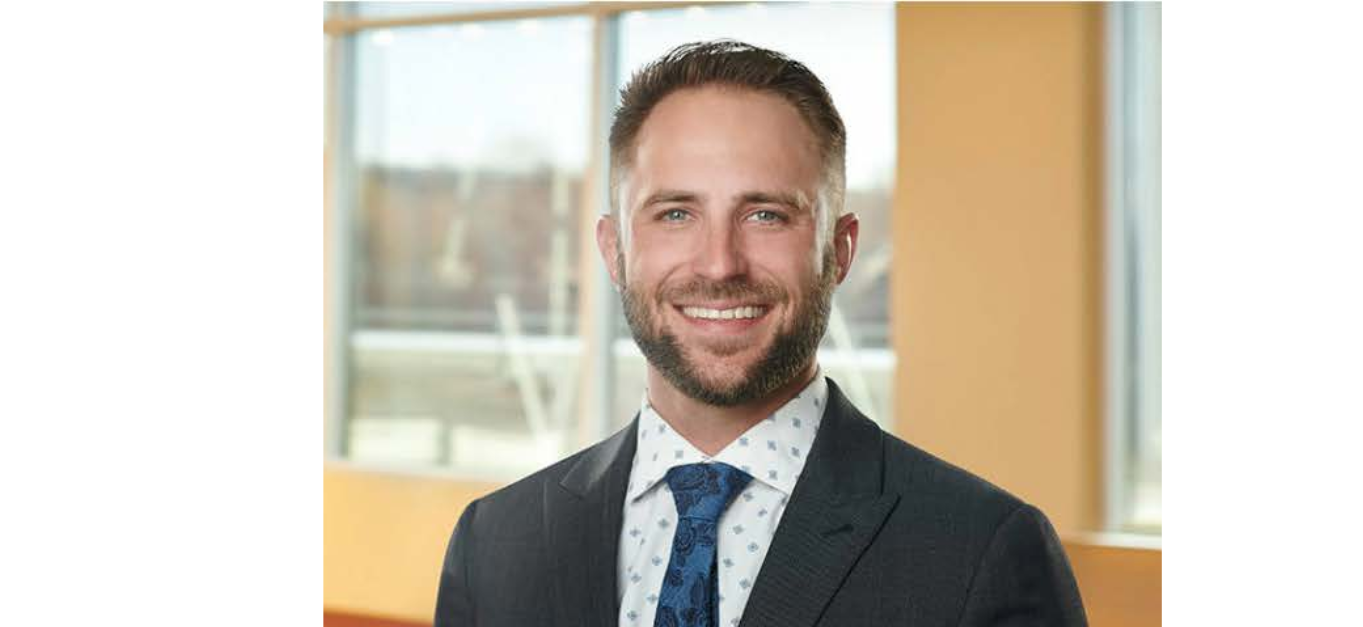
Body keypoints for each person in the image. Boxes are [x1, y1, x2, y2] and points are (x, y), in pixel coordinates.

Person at [432, 40, 1087, 627]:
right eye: (676, 212)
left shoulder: (983, 549)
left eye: (767, 214)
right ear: (614, 249)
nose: (720, 264)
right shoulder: (494, 543)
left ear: (840, 248)